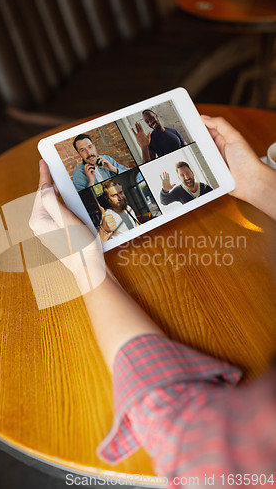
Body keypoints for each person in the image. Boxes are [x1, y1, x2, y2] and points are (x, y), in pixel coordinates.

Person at [30, 116, 276, 487]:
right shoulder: (82, 176)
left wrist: (84, 264)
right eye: (81, 151)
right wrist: (258, 183)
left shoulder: (113, 163)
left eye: (89, 149)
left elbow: (181, 434)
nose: (87, 154)